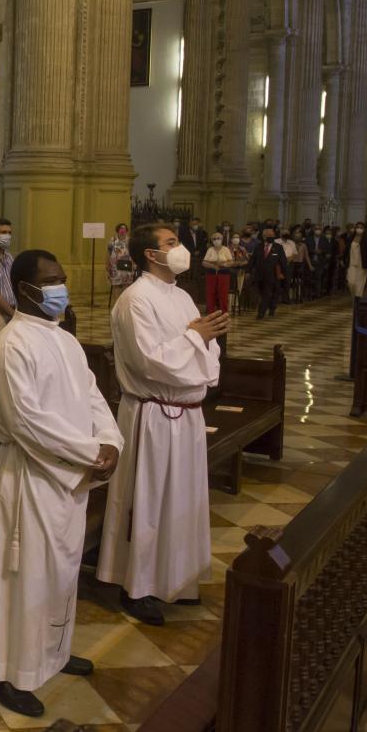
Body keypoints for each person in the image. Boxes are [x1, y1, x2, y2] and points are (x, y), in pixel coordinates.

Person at [0, 249, 122, 718]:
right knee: (25, 576)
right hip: (32, 475)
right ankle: (11, 671)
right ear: (24, 289)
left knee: (62, 569)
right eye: (51, 280)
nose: (61, 288)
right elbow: (26, 422)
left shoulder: (65, 340)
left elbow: (94, 396)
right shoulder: (12, 345)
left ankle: (52, 654)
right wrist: (89, 453)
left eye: (62, 278)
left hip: (68, 475)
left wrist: (111, 441)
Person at [98, 224, 225, 627]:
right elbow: (148, 361)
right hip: (152, 414)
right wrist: (194, 339)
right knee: (148, 502)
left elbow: (209, 349)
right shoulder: (134, 300)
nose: (181, 249)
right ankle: (136, 587)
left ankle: (178, 579)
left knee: (183, 499)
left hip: (187, 415)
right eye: (171, 243)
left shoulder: (184, 296)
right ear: (151, 254)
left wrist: (201, 341)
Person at [248, 226, 287, 319]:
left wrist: (284, 274)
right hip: (259, 275)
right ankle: (271, 307)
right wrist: (248, 271)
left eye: (272, 235)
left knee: (267, 293)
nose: (271, 237)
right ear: (264, 237)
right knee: (263, 293)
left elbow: (283, 262)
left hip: (272, 275)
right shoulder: (259, 246)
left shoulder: (278, 247)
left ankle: (261, 313)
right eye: (269, 235)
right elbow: (253, 260)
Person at [201, 232, 233, 313]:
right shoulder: (210, 249)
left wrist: (223, 264)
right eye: (214, 239)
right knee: (210, 293)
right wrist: (213, 265)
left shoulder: (226, 249)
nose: (216, 240)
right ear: (212, 240)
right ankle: (210, 311)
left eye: (218, 238)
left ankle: (224, 312)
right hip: (211, 274)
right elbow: (204, 262)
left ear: (222, 240)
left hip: (223, 274)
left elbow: (231, 262)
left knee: (223, 293)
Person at [107, 223, 135, 302]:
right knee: (116, 285)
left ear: (126, 230)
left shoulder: (130, 241)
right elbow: (108, 253)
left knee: (126, 285)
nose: (123, 230)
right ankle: (117, 303)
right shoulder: (113, 241)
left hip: (127, 266)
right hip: (115, 267)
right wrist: (107, 264)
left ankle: (125, 303)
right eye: (121, 228)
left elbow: (133, 253)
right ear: (118, 230)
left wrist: (133, 265)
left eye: (124, 229)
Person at [346, 223, 367, 298]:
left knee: (359, 283)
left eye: (361, 227)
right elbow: (346, 250)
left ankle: (357, 298)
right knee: (351, 282)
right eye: (358, 227)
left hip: (362, 264)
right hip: (351, 263)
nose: (359, 229)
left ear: (364, 229)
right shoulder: (351, 238)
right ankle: (354, 295)